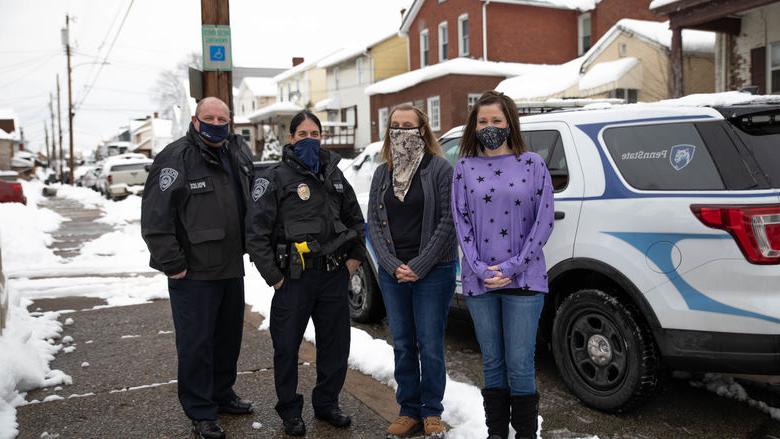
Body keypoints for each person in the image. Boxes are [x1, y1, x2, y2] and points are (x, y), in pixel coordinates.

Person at [141, 97, 256, 439]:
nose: (216, 122)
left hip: (230, 267)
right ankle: (201, 411)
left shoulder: (235, 151)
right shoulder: (175, 158)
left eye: (223, 117)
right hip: (193, 274)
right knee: (196, 344)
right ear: (195, 120)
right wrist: (173, 265)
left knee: (227, 338)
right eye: (209, 117)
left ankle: (222, 394)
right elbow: (156, 219)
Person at [246, 111, 365, 437]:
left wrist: (353, 260)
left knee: (335, 347)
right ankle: (290, 411)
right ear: (292, 139)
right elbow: (256, 234)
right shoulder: (274, 178)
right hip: (293, 280)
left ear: (322, 137)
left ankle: (327, 405)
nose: (309, 139)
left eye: (315, 133)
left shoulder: (336, 177)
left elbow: (356, 222)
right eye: (303, 134)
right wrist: (275, 277)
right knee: (286, 348)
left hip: (332, 278)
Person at [451, 91, 554, 439]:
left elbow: (544, 221)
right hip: (480, 282)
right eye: (482, 121)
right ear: (473, 125)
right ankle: (496, 433)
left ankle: (525, 434)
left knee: (520, 363)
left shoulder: (533, 164)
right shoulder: (463, 168)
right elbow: (460, 222)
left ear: (509, 123)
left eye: (496, 120)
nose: (489, 127)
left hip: (525, 281)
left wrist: (513, 266)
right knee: (493, 362)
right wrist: (479, 268)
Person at [367, 104, 457, 439]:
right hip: (394, 274)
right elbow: (373, 224)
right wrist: (392, 265)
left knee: (430, 343)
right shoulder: (382, 173)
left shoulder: (440, 169)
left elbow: (449, 221)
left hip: (434, 271)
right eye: (395, 125)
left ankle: (432, 411)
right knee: (403, 343)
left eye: (409, 125)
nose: (402, 130)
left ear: (423, 130)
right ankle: (409, 410)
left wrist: (419, 265)